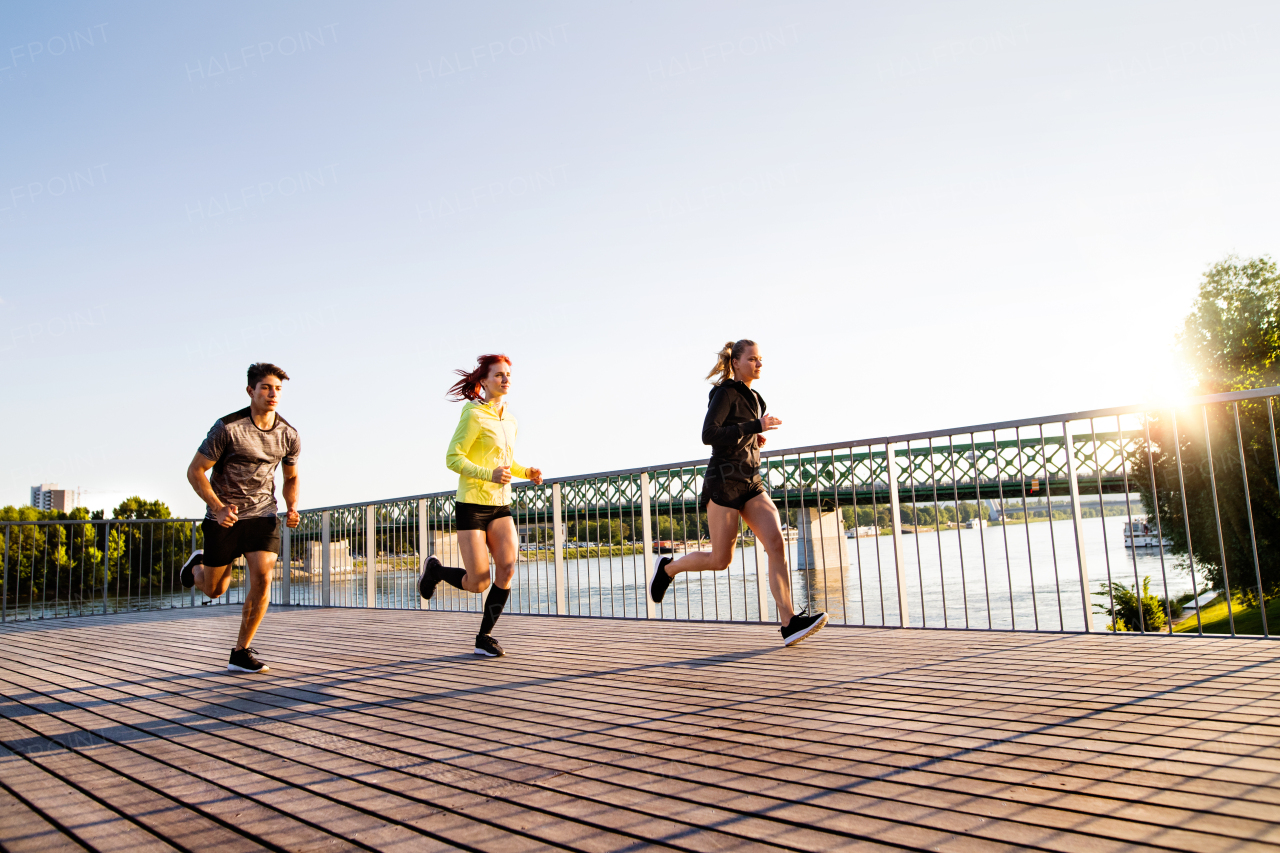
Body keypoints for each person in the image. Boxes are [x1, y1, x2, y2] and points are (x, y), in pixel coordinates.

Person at [650, 340, 828, 646]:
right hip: (724, 482)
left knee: (776, 543)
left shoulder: (756, 397)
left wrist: (754, 438)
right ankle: (668, 568)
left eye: (761, 360)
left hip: (751, 481)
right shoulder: (724, 393)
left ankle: (789, 623)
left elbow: (738, 433)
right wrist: (752, 426)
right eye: (753, 359)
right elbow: (710, 435)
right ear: (736, 363)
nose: (759, 364)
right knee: (721, 560)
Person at [179, 363, 301, 673]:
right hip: (224, 517)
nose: (273, 394)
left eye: (278, 389)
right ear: (251, 391)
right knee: (215, 589)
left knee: (262, 576)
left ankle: (240, 651)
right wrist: (218, 506)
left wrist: (292, 506)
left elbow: (291, 476)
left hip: (263, 514)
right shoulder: (227, 427)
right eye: (266, 387)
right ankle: (197, 567)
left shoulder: (288, 434)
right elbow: (195, 471)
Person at [418, 354, 543, 658]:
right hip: (472, 504)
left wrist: (526, 472)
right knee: (478, 582)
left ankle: (483, 637)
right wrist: (489, 474)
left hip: (500, 505)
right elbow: (453, 458)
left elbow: (506, 461)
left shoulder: (510, 420)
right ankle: (434, 571)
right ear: (484, 381)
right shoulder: (473, 415)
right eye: (499, 375)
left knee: (508, 567)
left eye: (508, 375)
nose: (505, 379)